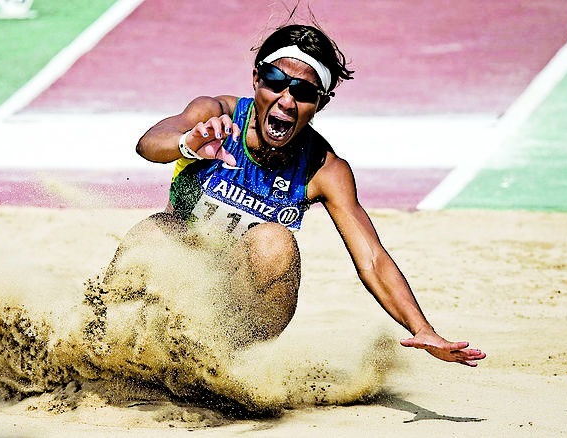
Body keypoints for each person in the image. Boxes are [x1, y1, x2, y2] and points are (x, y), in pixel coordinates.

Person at [106, 23, 486, 366]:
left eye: (304, 91)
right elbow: (149, 144)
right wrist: (188, 143)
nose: (286, 101)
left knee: (274, 242)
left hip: (245, 309)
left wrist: (422, 328)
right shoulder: (214, 115)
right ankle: (98, 336)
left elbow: (371, 259)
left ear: (321, 102)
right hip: (180, 279)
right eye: (275, 81)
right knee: (155, 232)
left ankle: (221, 366)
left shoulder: (326, 170)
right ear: (256, 78)